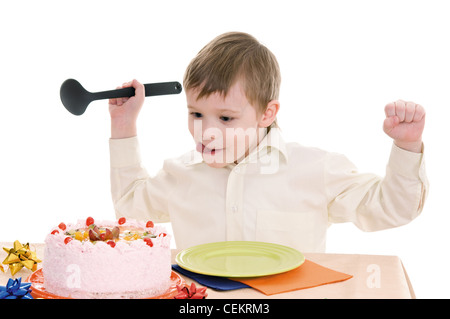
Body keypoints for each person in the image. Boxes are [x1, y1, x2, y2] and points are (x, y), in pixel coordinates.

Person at [108, 32, 428, 252]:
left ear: (266, 113)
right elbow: (130, 209)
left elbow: (392, 209)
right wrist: (124, 126)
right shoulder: (180, 174)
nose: (205, 131)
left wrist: (407, 147)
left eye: (225, 118)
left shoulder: (315, 169)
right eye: (195, 113)